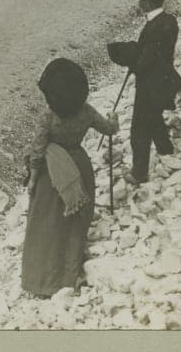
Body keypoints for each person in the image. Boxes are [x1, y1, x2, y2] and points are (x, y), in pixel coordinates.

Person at [21, 58, 118, 298]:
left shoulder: (47, 118)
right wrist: (114, 118)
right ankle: (68, 276)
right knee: (73, 227)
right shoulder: (86, 112)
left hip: (52, 173)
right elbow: (109, 129)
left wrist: (33, 180)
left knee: (46, 226)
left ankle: (40, 281)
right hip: (79, 169)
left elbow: (37, 151)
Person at [107, 0, 181, 185]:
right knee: (154, 117)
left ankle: (139, 174)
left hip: (150, 86)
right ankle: (165, 150)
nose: (139, 3)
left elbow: (144, 63)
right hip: (163, 82)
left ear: (147, 3)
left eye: (141, 0)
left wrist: (129, 56)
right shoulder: (168, 21)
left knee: (139, 129)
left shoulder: (154, 27)